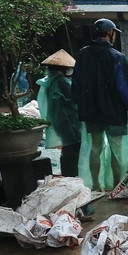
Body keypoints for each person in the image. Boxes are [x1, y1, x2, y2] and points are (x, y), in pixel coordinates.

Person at [71, 18, 128, 191]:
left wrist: (80, 106)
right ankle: (116, 186)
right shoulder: (117, 57)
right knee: (117, 151)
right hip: (114, 113)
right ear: (109, 33)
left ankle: (95, 186)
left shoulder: (82, 54)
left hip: (91, 112)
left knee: (95, 148)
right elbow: (123, 88)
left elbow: (76, 84)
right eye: (114, 33)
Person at [37, 49, 80, 177]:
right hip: (70, 123)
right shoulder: (62, 82)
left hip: (59, 122)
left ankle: (69, 176)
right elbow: (75, 100)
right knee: (73, 151)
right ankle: (72, 177)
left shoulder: (49, 81)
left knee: (67, 150)